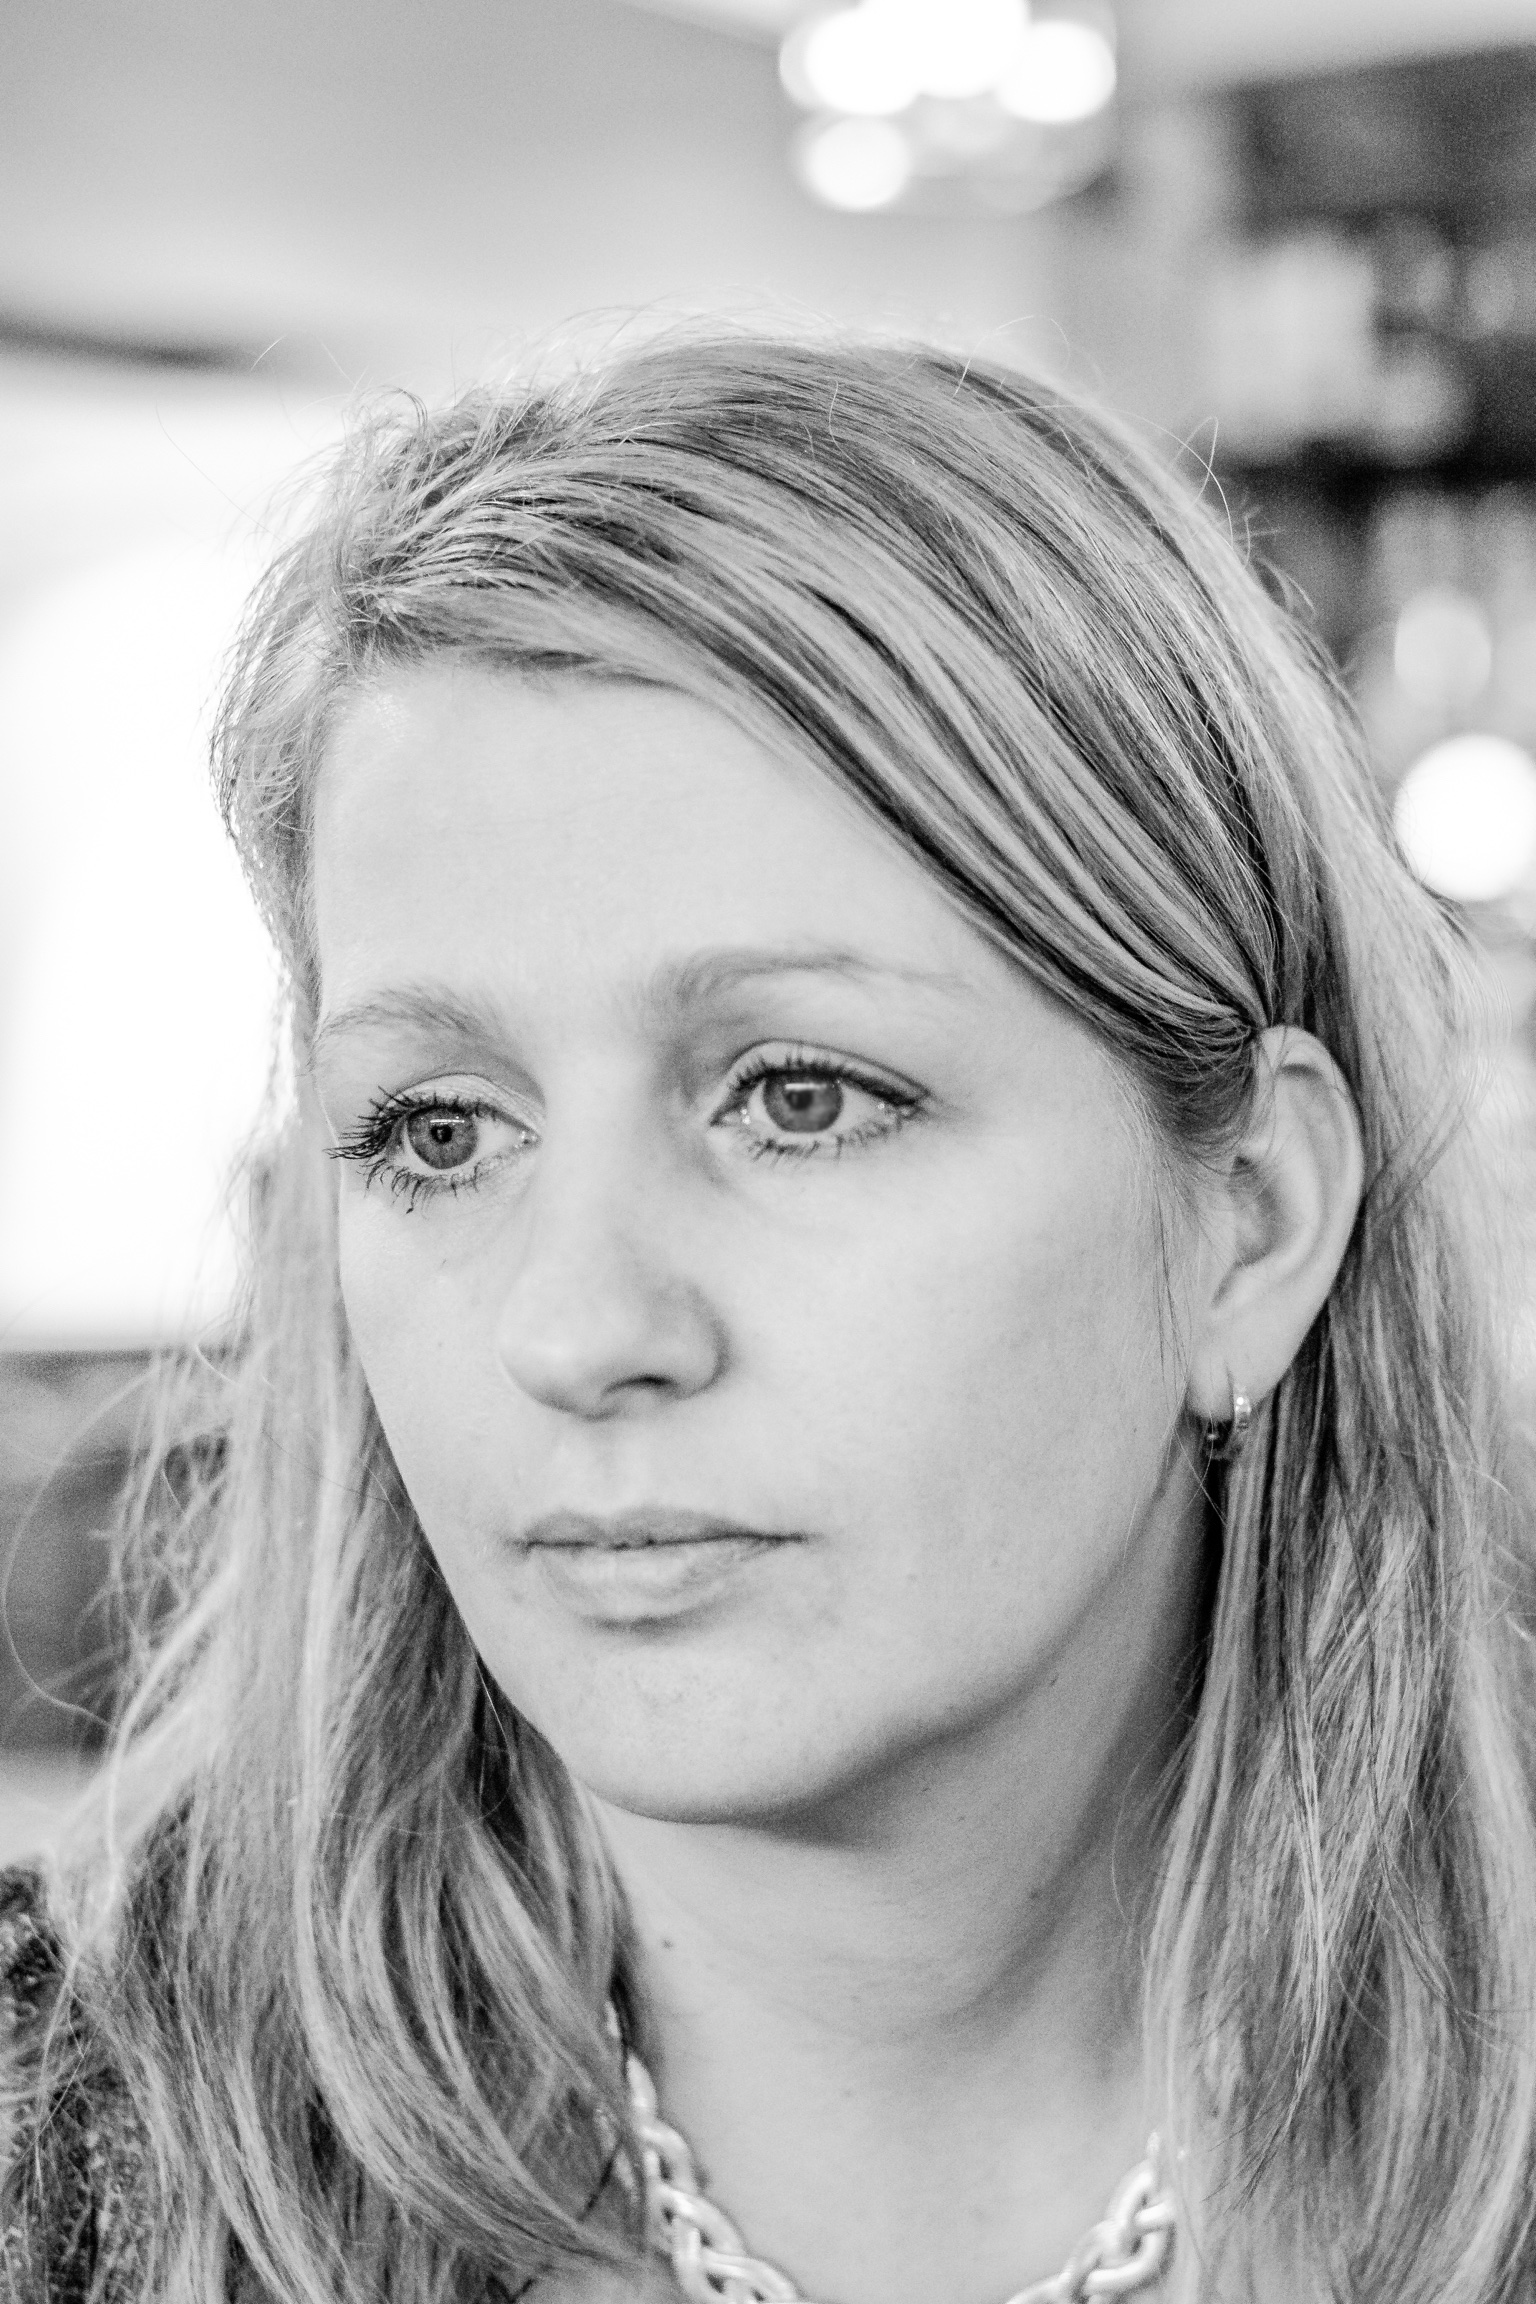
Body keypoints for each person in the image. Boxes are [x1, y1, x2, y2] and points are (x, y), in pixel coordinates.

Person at [3, 331, 1533, 2304]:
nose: (579, 1327)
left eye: (799, 1097)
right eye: (441, 1129)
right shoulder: (64, 2159)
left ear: (1249, 1222)